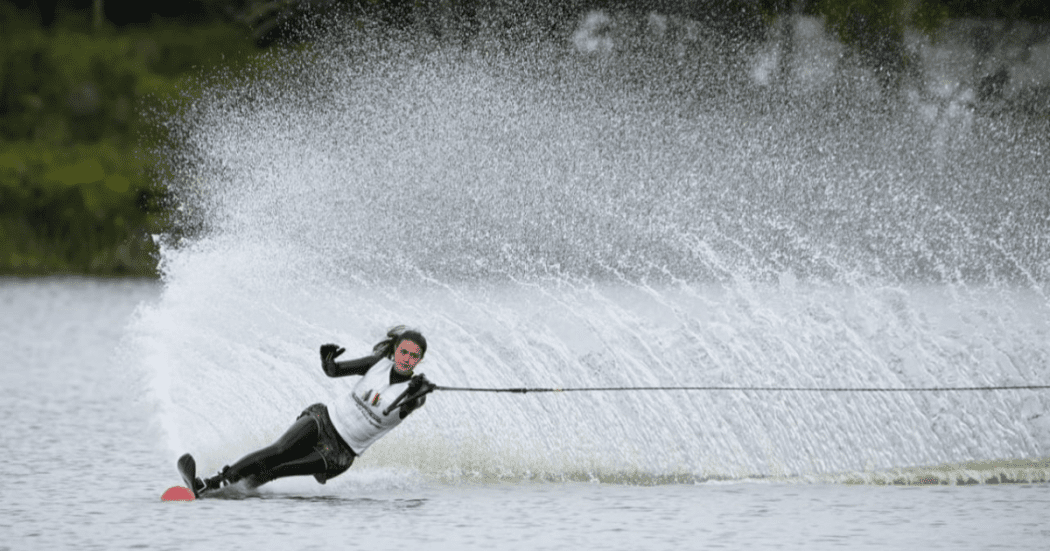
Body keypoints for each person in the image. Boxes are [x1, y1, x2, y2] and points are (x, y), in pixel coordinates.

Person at [179, 326, 436, 496]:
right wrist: (327, 361)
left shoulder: (415, 394)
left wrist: (417, 391)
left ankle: (237, 491)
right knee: (278, 451)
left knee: (280, 468)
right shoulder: (377, 363)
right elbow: (334, 372)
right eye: (403, 351)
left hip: (340, 451)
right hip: (324, 419)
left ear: (419, 360)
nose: (406, 358)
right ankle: (213, 483)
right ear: (395, 350)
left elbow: (413, 404)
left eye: (413, 356)